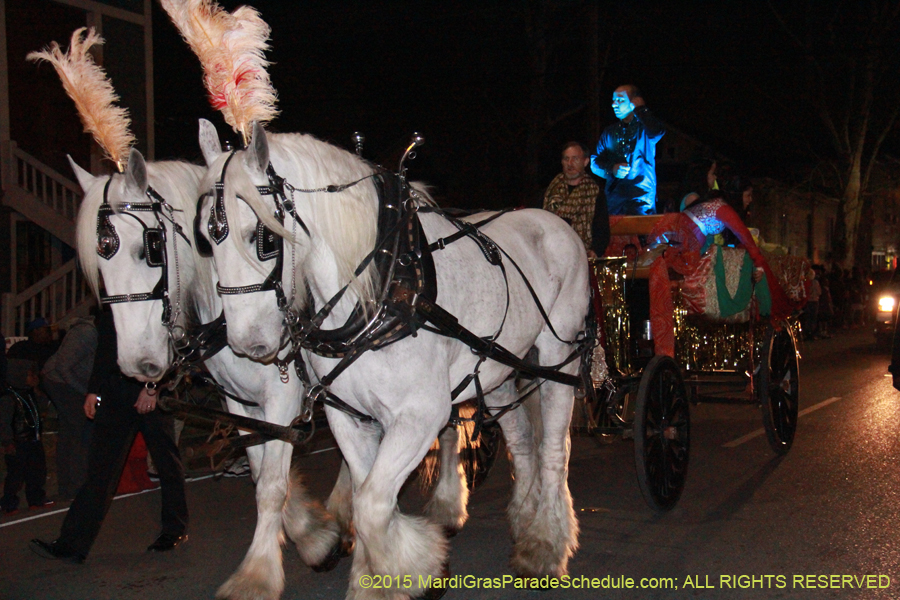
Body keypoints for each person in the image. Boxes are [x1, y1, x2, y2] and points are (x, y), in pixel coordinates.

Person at [29, 309, 188, 563]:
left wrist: (153, 387)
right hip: (116, 391)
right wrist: (93, 390)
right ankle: (73, 543)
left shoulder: (152, 301)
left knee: (166, 461)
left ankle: (174, 529)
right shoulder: (108, 306)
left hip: (150, 388)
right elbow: (105, 350)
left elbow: (169, 344)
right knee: (100, 469)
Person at [40, 315, 98, 498]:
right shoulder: (86, 332)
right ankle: (76, 484)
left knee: (69, 433)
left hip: (66, 381)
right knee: (80, 431)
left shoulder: (95, 332)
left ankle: (68, 486)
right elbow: (63, 366)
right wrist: (85, 392)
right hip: (59, 381)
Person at [591, 84, 666, 215]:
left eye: (620, 100)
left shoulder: (644, 129)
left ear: (633, 102)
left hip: (641, 201)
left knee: (638, 234)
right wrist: (611, 169)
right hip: (614, 202)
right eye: (613, 100)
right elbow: (594, 162)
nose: (614, 104)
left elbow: (658, 131)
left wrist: (641, 109)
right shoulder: (609, 132)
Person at [1, 359, 54, 514]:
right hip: (18, 442)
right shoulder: (8, 398)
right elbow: (4, 423)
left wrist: (37, 390)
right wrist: (7, 442)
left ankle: (36, 498)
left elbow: (42, 407)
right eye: (30, 375)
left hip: (33, 439)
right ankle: (9, 502)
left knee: (37, 471)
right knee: (15, 475)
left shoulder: (30, 393)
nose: (34, 377)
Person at [543, 141, 610, 257]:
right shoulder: (550, 190)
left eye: (575, 159)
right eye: (566, 159)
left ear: (585, 162)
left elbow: (602, 230)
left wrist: (594, 252)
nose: (570, 163)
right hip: (550, 253)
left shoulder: (594, 192)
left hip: (581, 255)